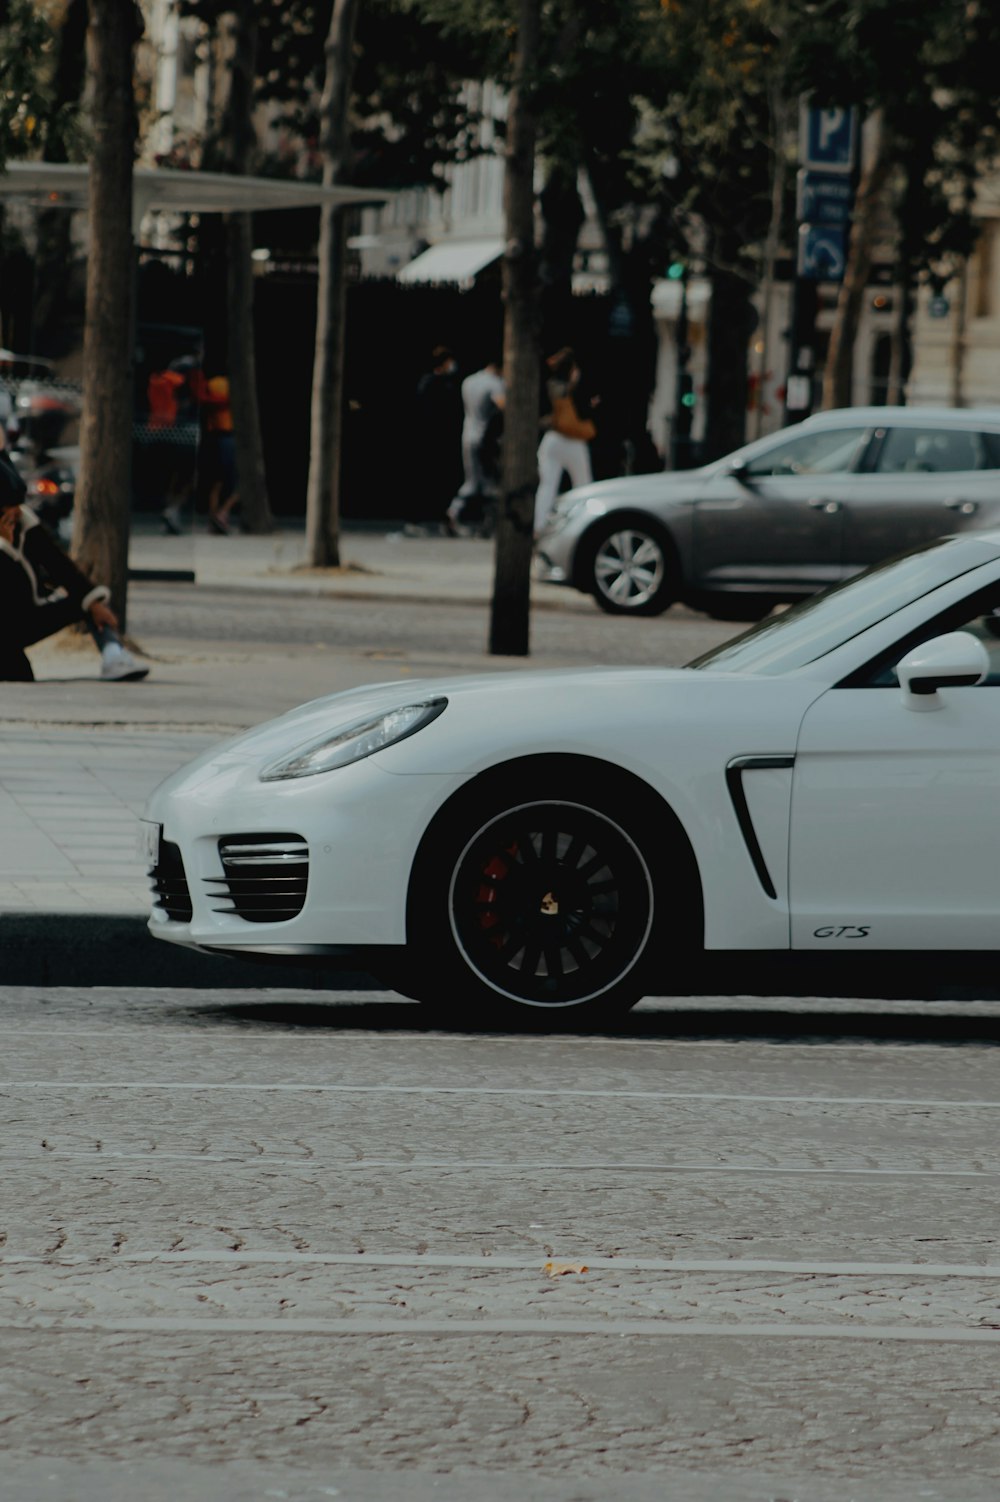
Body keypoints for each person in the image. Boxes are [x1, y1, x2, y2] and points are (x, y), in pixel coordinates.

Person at [0, 434, 148, 683]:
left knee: (87, 601)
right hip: (8, 625)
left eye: (17, 516)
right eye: (8, 519)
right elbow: (10, 604)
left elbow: (59, 565)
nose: (15, 522)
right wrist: (4, 545)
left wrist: (92, 602)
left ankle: (114, 654)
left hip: (20, 624)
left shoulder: (25, 524)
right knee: (17, 673)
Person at [534, 347, 598, 537]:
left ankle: (539, 526)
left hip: (552, 439)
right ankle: (585, 524)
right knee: (584, 485)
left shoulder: (548, 385)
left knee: (547, 485)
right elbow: (584, 412)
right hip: (573, 441)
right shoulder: (575, 389)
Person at [447, 356, 505, 535]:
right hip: (486, 438)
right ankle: (490, 524)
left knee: (472, 481)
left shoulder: (469, 381)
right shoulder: (495, 383)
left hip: (468, 434)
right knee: (489, 484)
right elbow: (504, 405)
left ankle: (454, 513)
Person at [413, 345, 464, 535]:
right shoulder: (430, 383)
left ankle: (442, 519)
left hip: (443, 439)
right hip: (432, 439)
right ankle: (419, 518)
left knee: (442, 481)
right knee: (428, 479)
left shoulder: (447, 383)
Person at [190, 367, 238, 535]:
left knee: (218, 482)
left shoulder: (211, 384)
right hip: (225, 434)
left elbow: (203, 399)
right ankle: (221, 514)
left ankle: (216, 518)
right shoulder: (222, 384)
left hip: (217, 434)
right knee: (234, 481)